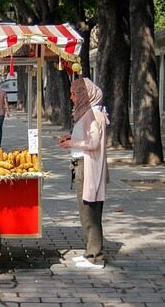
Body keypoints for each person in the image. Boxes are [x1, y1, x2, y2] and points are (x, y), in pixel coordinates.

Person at [59, 77, 109, 269]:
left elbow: (94, 143)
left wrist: (72, 144)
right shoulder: (86, 113)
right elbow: (88, 137)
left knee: (91, 211)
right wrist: (73, 138)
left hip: (88, 167)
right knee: (85, 210)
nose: (72, 97)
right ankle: (90, 251)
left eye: (75, 93)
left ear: (86, 95)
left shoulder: (94, 114)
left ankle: (95, 256)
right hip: (82, 165)